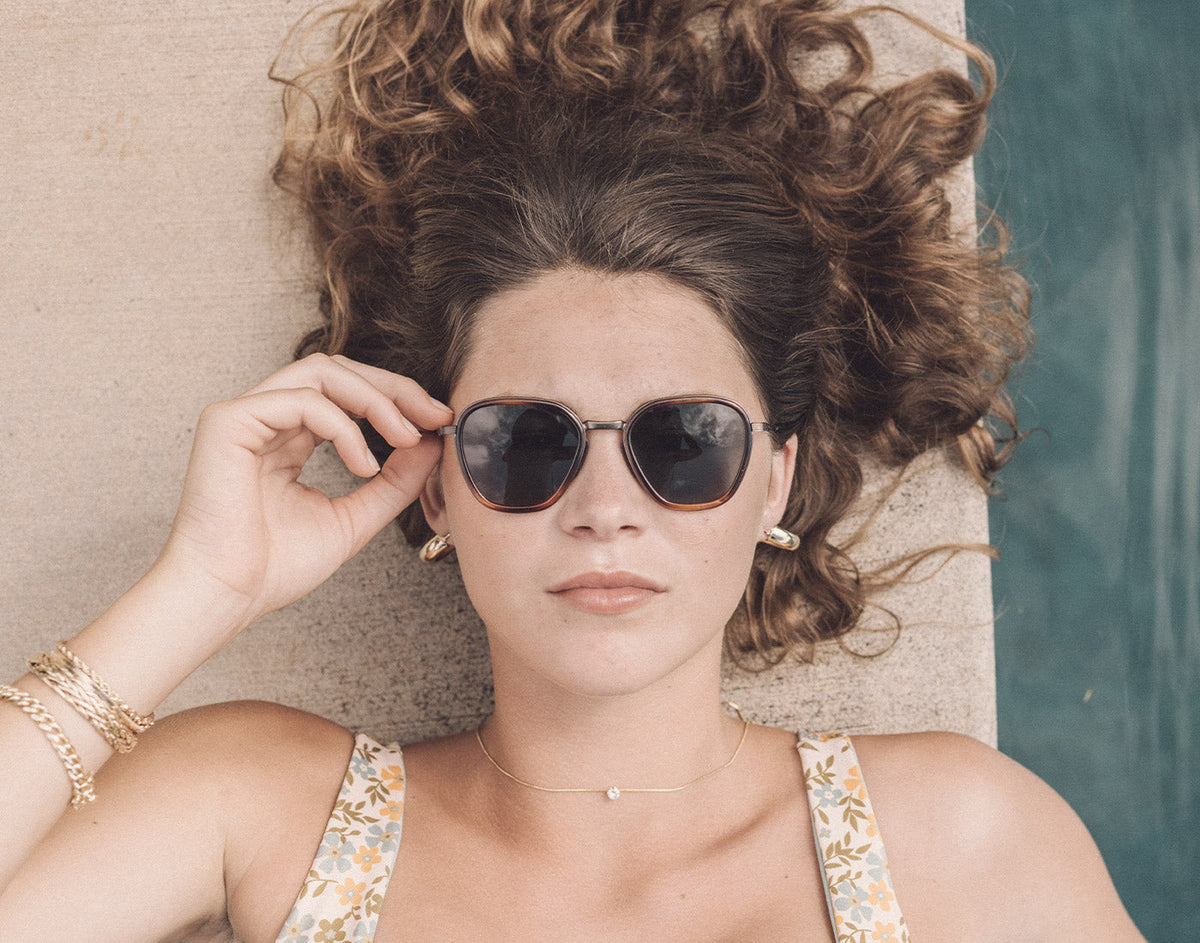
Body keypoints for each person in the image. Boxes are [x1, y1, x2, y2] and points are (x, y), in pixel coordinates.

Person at [0, 1, 1144, 940]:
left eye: (682, 442)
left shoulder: (961, 836)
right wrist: (198, 589)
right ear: (438, 482)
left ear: (775, 482)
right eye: (531, 442)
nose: (605, 510)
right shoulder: (254, 800)